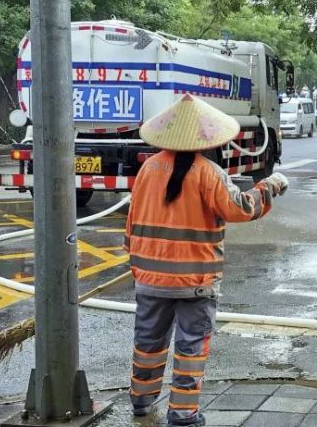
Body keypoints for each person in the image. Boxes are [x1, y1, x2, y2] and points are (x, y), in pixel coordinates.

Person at [126, 95, 289, 426]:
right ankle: (183, 413)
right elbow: (241, 209)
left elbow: (132, 223)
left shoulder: (148, 169)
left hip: (150, 279)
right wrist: (269, 186)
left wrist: (139, 265)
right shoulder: (208, 172)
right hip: (195, 283)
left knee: (148, 343)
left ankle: (141, 401)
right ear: (207, 138)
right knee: (190, 350)